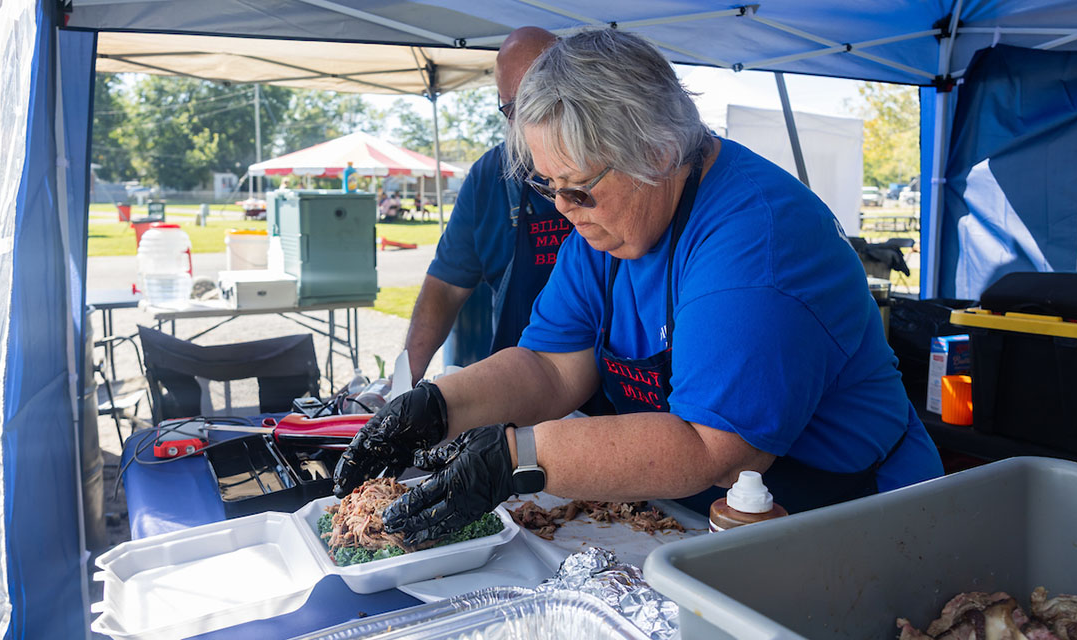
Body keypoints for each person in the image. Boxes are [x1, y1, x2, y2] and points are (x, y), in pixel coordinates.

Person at [335, 28, 943, 546]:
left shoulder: (757, 240)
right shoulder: (609, 229)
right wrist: (440, 404)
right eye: (548, 188)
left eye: (577, 189)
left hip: (859, 517)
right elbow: (551, 366)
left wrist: (518, 457)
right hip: (713, 517)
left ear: (656, 150)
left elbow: (716, 450)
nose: (564, 211)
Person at [403, 26, 564, 382]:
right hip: (521, 383)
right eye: (512, 108)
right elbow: (444, 287)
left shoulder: (612, 166)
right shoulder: (489, 176)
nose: (527, 121)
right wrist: (403, 382)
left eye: (541, 101)